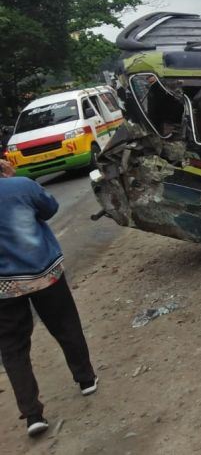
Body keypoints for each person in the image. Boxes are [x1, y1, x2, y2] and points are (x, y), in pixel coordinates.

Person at [0, 159, 98, 437]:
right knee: (66, 325)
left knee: (13, 348)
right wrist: (10, 179)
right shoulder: (21, 186)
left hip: (4, 286)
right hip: (44, 271)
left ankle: (32, 415)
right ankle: (86, 379)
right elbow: (50, 208)